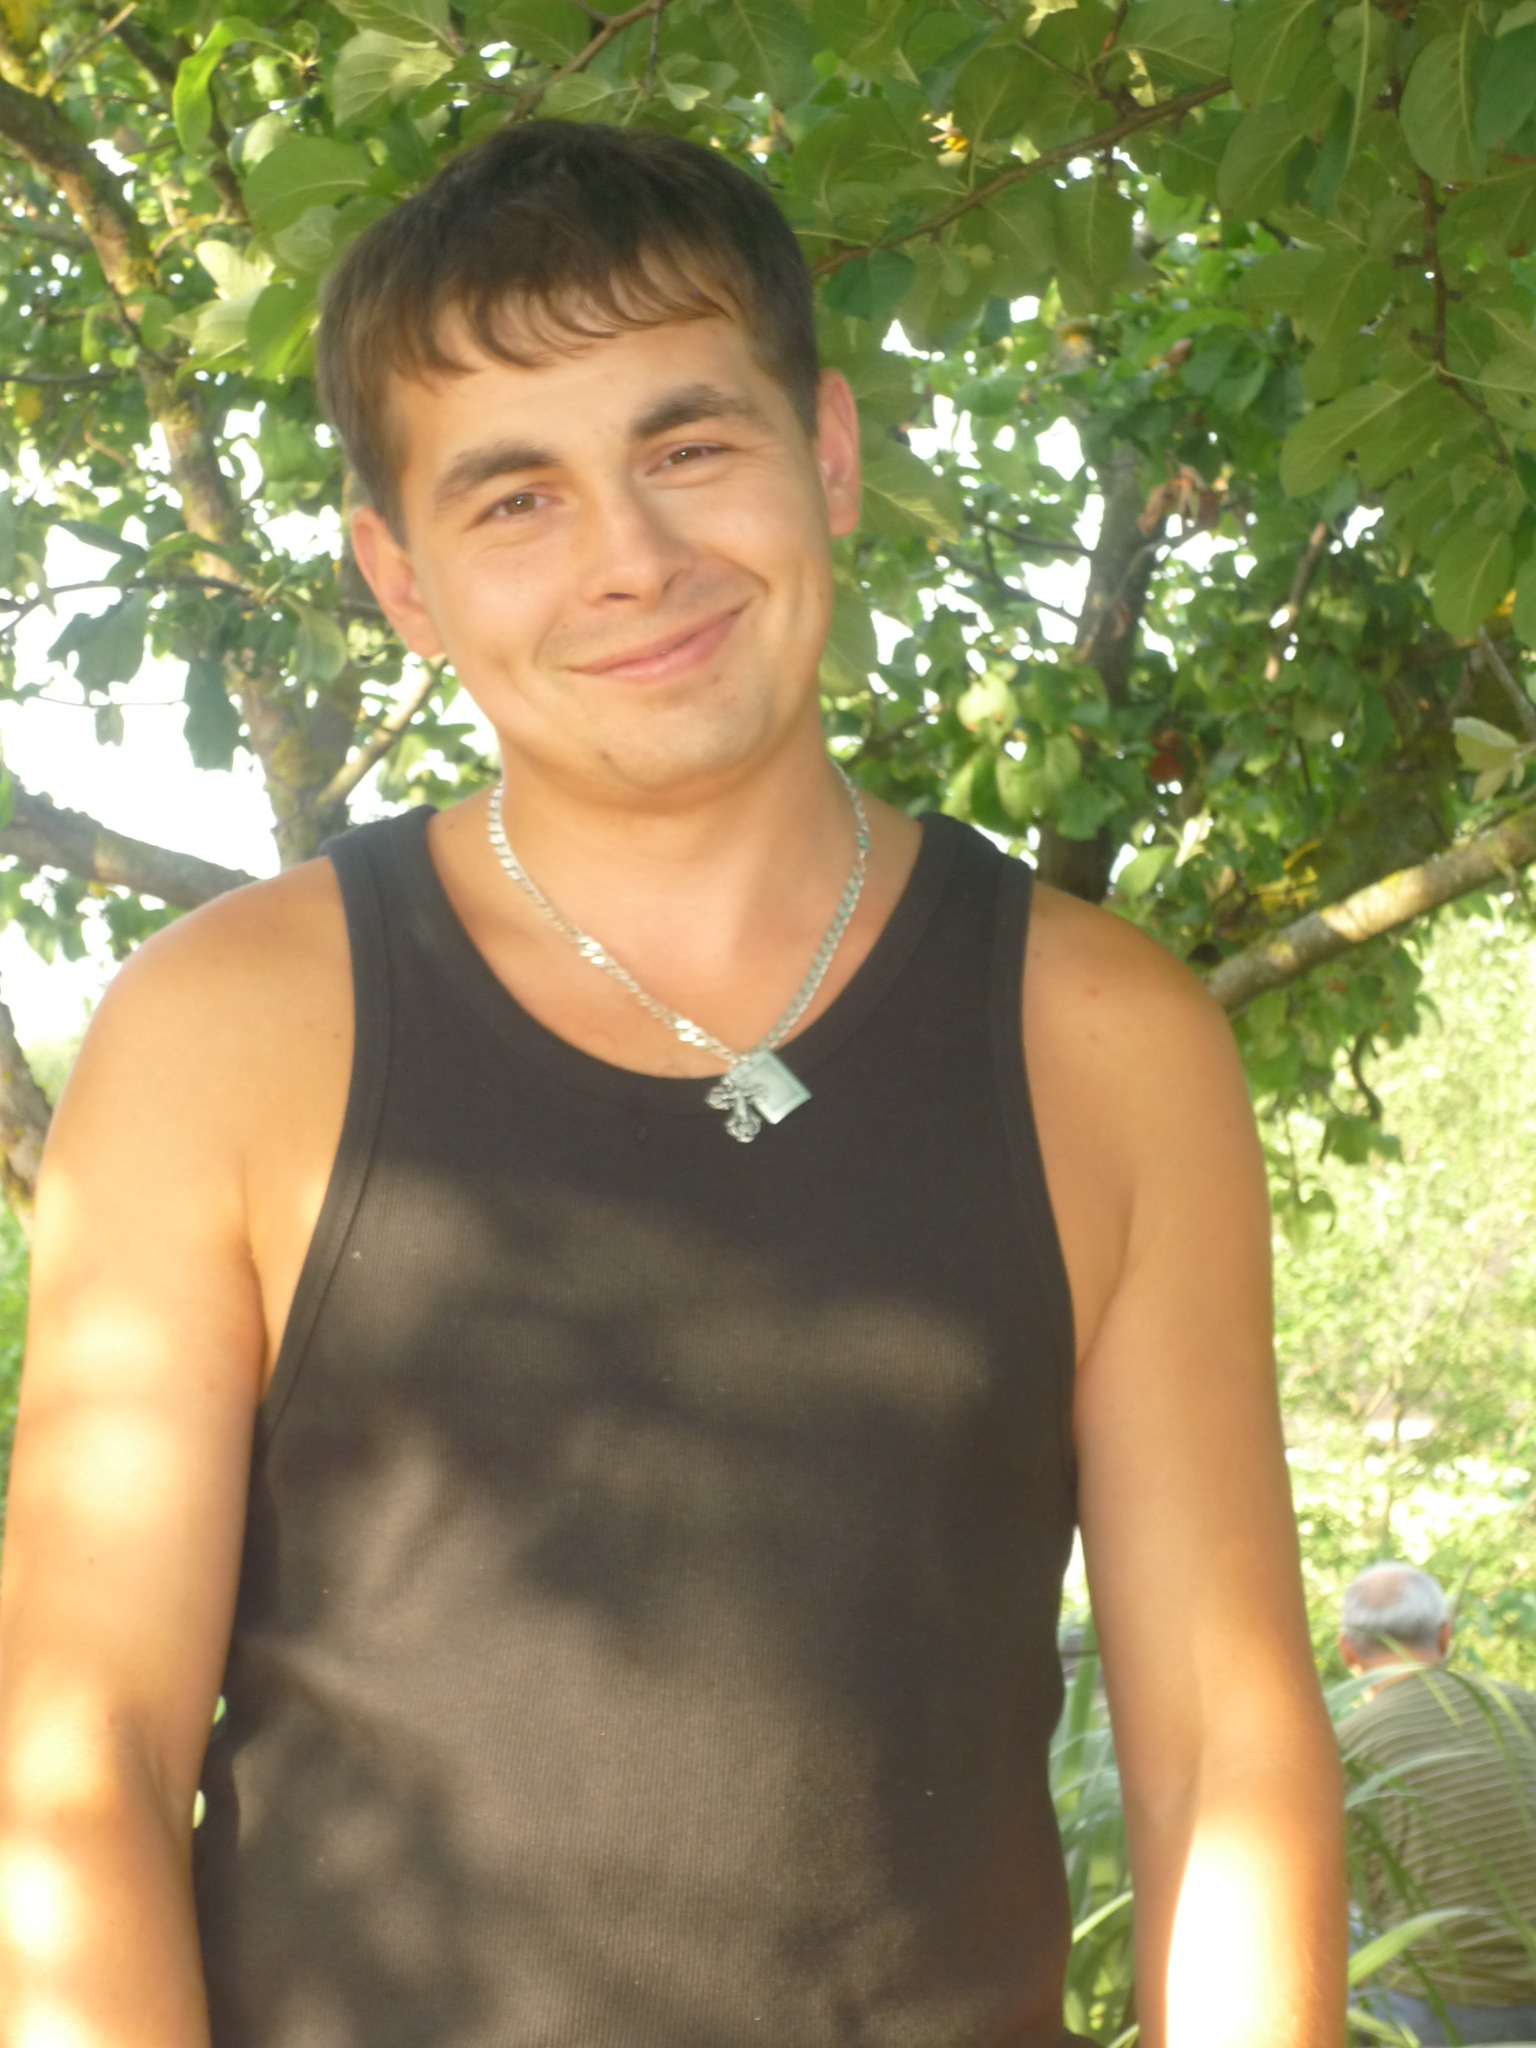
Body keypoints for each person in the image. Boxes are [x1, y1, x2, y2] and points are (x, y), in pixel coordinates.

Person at [0, 120, 1345, 2047]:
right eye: (514, 497)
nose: (631, 560)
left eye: (689, 446)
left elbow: (1224, 1751)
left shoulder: (1107, 1039)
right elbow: (78, 1759)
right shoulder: (222, 1034)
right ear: (399, 578)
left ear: (830, 454)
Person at [1339, 1564, 1536, 2045]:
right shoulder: (1522, 1709)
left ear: (1347, 1651)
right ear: (1445, 1636)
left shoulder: (1342, 1747)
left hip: (1443, 2010)